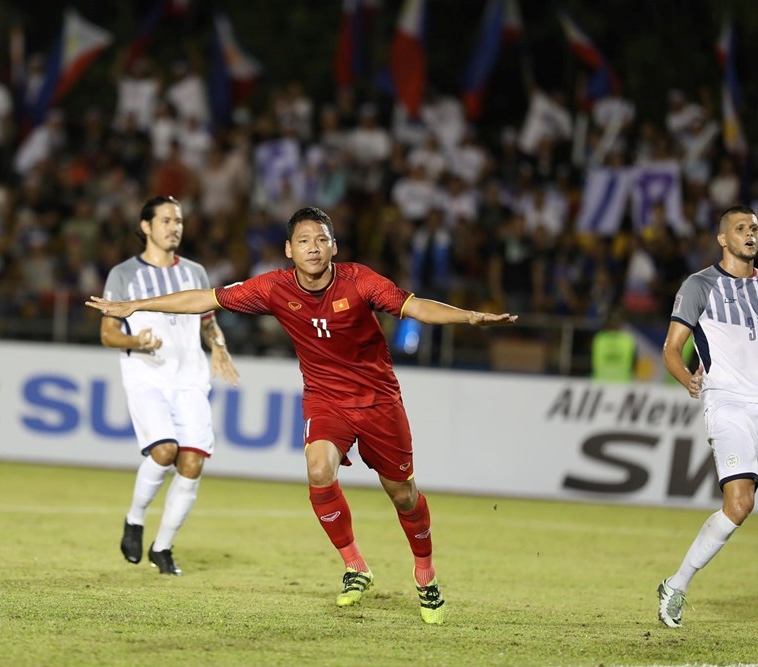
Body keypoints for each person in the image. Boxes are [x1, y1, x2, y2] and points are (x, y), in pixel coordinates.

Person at [87, 206, 516, 622]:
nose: (313, 247)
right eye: (303, 240)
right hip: (325, 400)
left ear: (334, 247)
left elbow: (415, 306)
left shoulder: (359, 281)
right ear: (289, 250)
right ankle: (355, 567)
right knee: (317, 470)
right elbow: (205, 298)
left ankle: (425, 573)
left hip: (379, 402)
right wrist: (136, 306)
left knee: (402, 493)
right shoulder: (274, 288)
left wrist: (471, 317)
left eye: (321, 240)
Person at [101, 196, 239, 576]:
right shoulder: (124, 275)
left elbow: (208, 320)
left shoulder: (194, 271)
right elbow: (108, 333)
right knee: (164, 451)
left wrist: (219, 346)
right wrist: (136, 341)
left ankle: (162, 548)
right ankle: (134, 518)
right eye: (165, 220)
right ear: (146, 227)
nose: (174, 226)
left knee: (191, 463)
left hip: (190, 378)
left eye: (177, 220)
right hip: (146, 375)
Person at [657, 205, 758, 628]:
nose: (751, 234)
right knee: (739, 505)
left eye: (754, 228)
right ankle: (676, 585)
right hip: (729, 403)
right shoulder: (700, 285)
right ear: (723, 239)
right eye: (741, 228)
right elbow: (670, 349)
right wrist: (687, 378)